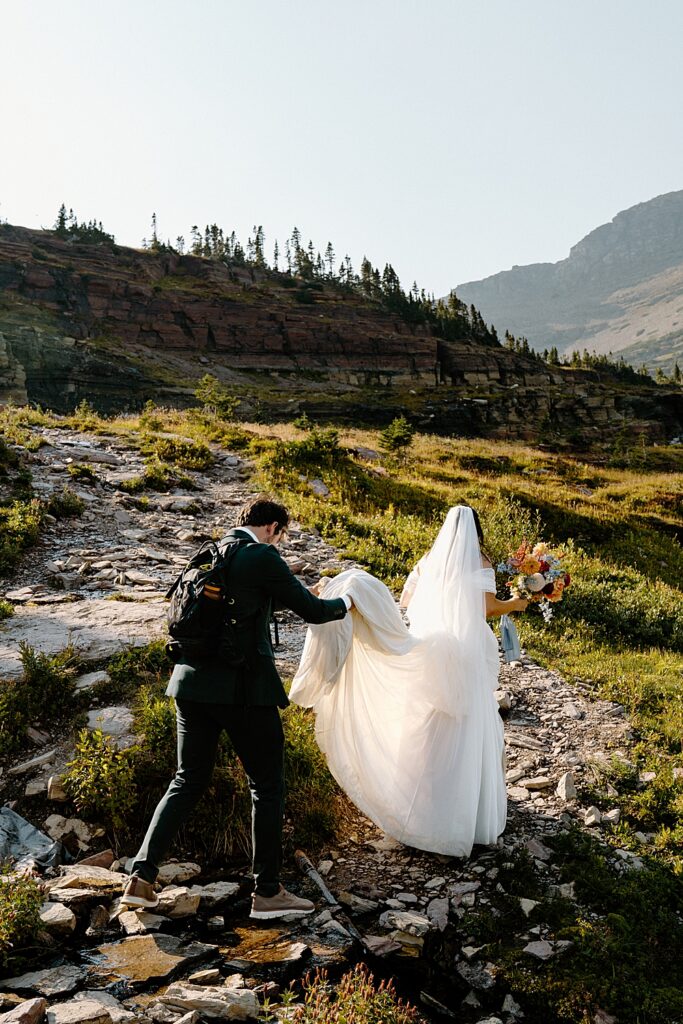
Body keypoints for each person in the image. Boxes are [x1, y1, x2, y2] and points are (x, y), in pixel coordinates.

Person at [121, 496, 351, 920]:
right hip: (244, 691)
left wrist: (299, 592)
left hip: (189, 685)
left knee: (187, 780)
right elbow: (317, 614)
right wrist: (348, 603)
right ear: (273, 528)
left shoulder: (211, 553)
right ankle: (267, 892)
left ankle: (140, 879)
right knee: (267, 785)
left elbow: (240, 606)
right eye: (283, 535)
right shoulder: (262, 555)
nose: (281, 543)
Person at [289, 505, 527, 857]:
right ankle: (467, 813)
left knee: (431, 718)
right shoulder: (482, 562)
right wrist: (517, 604)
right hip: (466, 648)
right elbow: (485, 608)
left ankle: (423, 805)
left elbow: (407, 599)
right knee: (469, 718)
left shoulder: (430, 560)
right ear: (476, 530)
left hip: (432, 643)